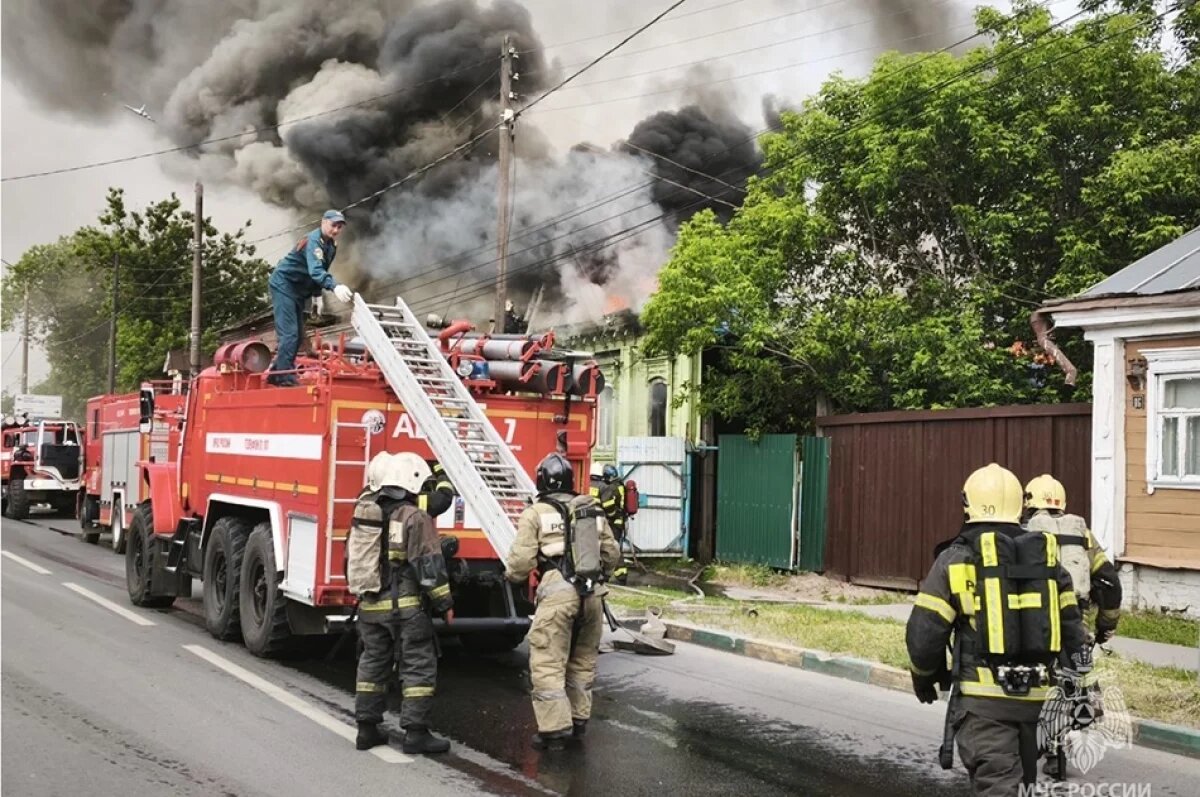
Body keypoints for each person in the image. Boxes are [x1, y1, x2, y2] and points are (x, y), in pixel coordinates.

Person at [906, 463, 1088, 795]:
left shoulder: (955, 560)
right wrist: (1079, 691)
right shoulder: (1048, 563)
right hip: (1038, 706)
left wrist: (924, 677)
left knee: (999, 786)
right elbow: (1074, 635)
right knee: (1023, 784)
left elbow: (924, 634)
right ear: (1020, 506)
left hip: (984, 709)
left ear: (968, 505)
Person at [505, 452, 621, 750]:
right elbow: (611, 553)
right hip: (592, 595)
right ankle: (579, 721)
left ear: (541, 481)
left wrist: (513, 578)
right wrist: (600, 578)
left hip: (558, 595)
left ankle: (554, 730)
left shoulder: (536, 513)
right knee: (582, 662)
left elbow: (520, 563)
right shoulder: (591, 509)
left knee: (548, 662)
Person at [347, 452, 453, 755]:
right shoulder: (413, 517)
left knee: (372, 664)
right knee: (418, 666)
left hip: (369, 605)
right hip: (406, 608)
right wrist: (444, 603)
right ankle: (416, 734)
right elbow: (428, 567)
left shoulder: (366, 513)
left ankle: (366, 730)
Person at [1022, 473, 1122, 778]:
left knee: (1032, 676)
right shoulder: (1083, 535)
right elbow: (1109, 582)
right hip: (1075, 619)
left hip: (1036, 616)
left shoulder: (1024, 532)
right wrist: (1105, 627)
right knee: (1075, 677)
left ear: (1029, 502)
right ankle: (1067, 739)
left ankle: (1030, 739)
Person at [266, 209, 354, 386]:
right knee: (289, 335)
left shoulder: (331, 246)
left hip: (298, 290)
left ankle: (276, 373)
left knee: (298, 336)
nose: (336, 230)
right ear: (323, 222)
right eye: (333, 225)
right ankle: (283, 377)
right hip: (284, 285)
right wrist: (334, 286)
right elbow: (316, 271)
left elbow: (321, 269)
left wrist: (316, 295)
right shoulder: (314, 241)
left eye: (339, 227)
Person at [589, 463, 629, 584]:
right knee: (611, 546)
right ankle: (615, 574)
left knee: (602, 546)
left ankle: (614, 574)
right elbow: (609, 507)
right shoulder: (609, 486)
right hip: (610, 520)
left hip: (591, 521)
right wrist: (611, 516)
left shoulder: (588, 484)